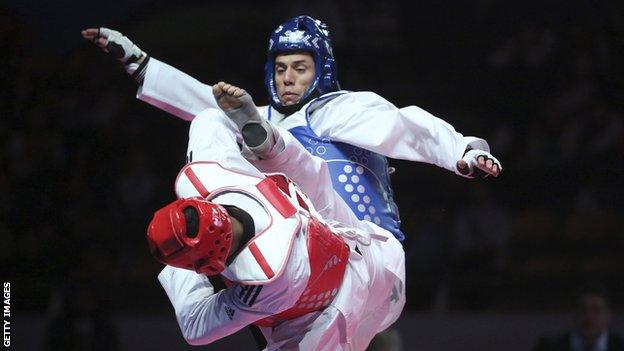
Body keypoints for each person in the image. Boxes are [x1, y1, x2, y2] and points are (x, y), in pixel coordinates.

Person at [81, 15, 502, 242]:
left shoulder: (339, 110)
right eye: (281, 69)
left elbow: (404, 124)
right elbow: (199, 100)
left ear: (321, 71)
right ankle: (211, 223)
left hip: (357, 243)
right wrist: (139, 63)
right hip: (293, 238)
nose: (287, 78)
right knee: (216, 119)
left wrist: (462, 150)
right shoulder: (259, 118)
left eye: (300, 68)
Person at [147, 82, 405, 350]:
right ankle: (269, 140)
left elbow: (197, 327)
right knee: (307, 178)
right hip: (354, 239)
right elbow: (208, 118)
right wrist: (253, 135)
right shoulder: (207, 175)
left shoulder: (269, 275)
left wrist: (181, 266)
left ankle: (269, 143)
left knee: (197, 326)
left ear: (208, 264)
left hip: (328, 305)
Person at [532, 284, 624, 351]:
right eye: (583, 309)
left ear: (608, 315)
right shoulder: (548, 347)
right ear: (573, 313)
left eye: (597, 310)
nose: (589, 316)